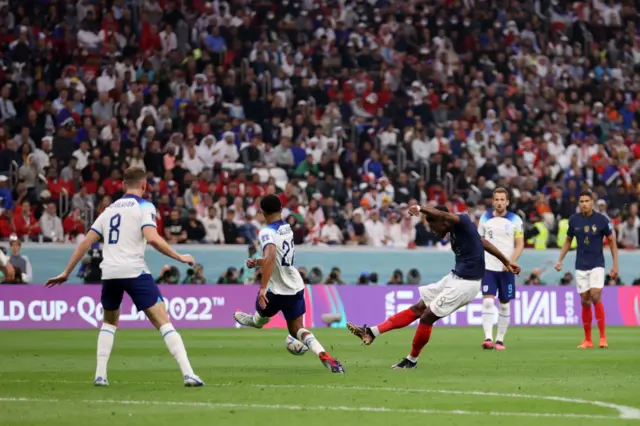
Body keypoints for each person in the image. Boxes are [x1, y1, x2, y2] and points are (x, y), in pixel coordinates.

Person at [45, 167, 204, 387]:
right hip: (134, 270)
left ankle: (100, 375)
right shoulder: (145, 206)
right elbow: (153, 238)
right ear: (145, 185)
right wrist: (178, 256)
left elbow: (85, 243)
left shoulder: (108, 210)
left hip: (109, 273)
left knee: (109, 322)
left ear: (122, 185)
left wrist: (66, 272)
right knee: (163, 321)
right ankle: (188, 373)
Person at [347, 205, 520, 369]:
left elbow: (445, 215)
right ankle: (371, 332)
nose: (432, 230)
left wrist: (420, 208)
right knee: (418, 307)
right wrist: (507, 261)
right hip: (454, 278)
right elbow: (484, 243)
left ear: (443, 221)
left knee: (427, 317)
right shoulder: (458, 232)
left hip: (468, 284)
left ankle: (411, 360)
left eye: (433, 225)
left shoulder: (463, 221)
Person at [233, 194, 344, 374]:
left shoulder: (266, 232)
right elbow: (277, 258)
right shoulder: (287, 228)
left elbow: (270, 258)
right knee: (296, 329)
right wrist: (259, 261)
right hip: (296, 286)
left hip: (277, 290)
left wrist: (262, 287)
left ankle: (254, 321)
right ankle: (323, 354)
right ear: (281, 210)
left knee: (260, 318)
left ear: (262, 212)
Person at [555, 191, 618, 349]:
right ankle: (588, 340)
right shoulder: (574, 220)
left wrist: (615, 265)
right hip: (580, 265)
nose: (584, 204)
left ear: (592, 202)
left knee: (596, 296)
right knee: (584, 300)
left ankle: (603, 337)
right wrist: (560, 260)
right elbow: (568, 240)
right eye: (581, 201)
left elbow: (611, 241)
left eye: (587, 201)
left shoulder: (602, 220)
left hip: (597, 263)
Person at [477, 188, 524, 350]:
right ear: (493, 201)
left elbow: (519, 244)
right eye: (496, 199)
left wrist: (511, 262)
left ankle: (500, 340)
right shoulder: (484, 218)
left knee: (504, 305)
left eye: (502, 199)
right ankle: (488, 338)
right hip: (488, 268)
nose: (499, 202)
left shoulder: (515, 220)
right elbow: (479, 241)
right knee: (488, 302)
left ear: (507, 202)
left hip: (506, 270)